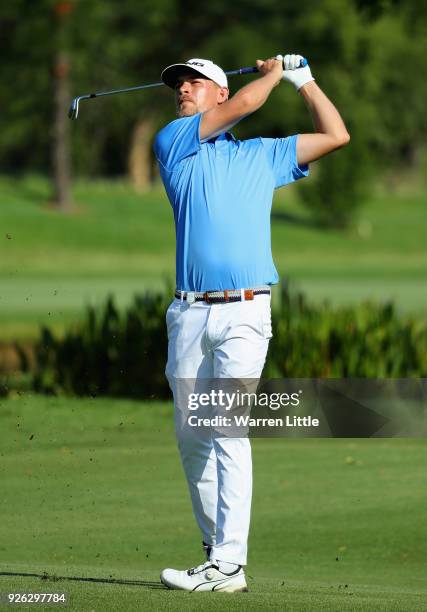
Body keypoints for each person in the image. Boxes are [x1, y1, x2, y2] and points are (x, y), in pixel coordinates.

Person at [153, 54, 349, 592]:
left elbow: (336, 134)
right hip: (189, 313)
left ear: (217, 92)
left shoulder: (264, 155)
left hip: (245, 311)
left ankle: (229, 565)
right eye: (178, 84)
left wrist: (303, 78)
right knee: (192, 438)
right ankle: (217, 552)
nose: (183, 90)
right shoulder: (175, 141)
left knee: (226, 428)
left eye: (194, 83)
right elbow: (246, 102)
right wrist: (273, 75)